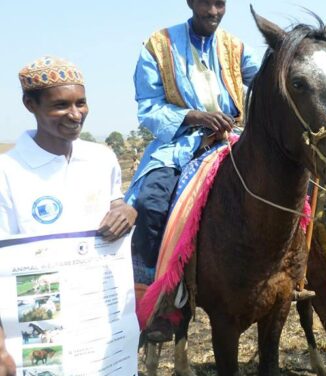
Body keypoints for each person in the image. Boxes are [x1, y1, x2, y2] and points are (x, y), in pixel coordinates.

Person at [0, 56, 137, 374]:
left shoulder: (102, 158)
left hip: (101, 327)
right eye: (60, 105)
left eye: (81, 103)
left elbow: (115, 205)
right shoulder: (7, 172)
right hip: (42, 332)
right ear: (30, 104)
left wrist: (126, 211)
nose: (75, 115)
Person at [126, 0, 260, 277]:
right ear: (189, 2)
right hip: (179, 143)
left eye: (220, 4)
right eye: (205, 3)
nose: (213, 12)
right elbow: (149, 108)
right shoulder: (158, 45)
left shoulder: (235, 47)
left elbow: (265, 79)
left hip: (231, 137)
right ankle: (155, 286)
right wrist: (198, 117)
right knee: (149, 204)